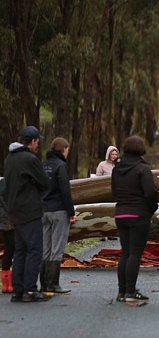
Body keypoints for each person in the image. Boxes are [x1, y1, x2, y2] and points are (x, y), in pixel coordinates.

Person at [3, 126, 50, 302]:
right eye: (37, 141)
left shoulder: (9, 158)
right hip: (30, 210)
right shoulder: (30, 159)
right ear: (32, 141)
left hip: (14, 210)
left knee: (20, 250)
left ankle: (18, 290)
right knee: (34, 250)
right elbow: (45, 183)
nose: (38, 144)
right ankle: (30, 289)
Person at [111, 135, 157, 303]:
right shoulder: (142, 168)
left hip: (121, 213)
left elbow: (114, 191)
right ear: (141, 149)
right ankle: (131, 291)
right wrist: (151, 209)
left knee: (125, 252)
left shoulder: (117, 167)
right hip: (138, 214)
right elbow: (150, 193)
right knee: (135, 254)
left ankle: (121, 292)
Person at [40, 137, 75, 295]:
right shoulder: (61, 166)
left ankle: (44, 284)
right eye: (67, 149)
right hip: (59, 210)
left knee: (45, 248)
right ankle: (54, 284)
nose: (68, 152)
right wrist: (71, 212)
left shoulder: (43, 165)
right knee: (57, 248)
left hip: (43, 211)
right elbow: (65, 191)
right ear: (63, 150)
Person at [0, 178, 15, 293]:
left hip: (2, 222)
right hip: (10, 220)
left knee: (8, 250)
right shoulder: (5, 182)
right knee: (15, 250)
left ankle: (6, 285)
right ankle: (12, 283)